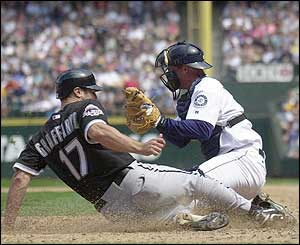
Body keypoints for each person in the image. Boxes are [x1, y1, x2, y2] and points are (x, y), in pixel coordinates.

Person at [3, 68, 282, 233]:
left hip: (112, 210)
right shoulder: (83, 108)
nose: (95, 95)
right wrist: (139, 146)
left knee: (166, 218)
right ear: (77, 92)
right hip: (132, 181)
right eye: (91, 90)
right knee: (198, 182)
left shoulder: (40, 138)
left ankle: (187, 219)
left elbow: (19, 178)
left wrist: (8, 226)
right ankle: (255, 212)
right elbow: (98, 132)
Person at [154, 41, 293, 214]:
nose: (168, 75)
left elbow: (201, 130)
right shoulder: (189, 95)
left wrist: (160, 121)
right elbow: (180, 140)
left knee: (191, 181)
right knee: (185, 210)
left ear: (185, 69)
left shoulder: (207, 86)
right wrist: (154, 122)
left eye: (171, 70)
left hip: (242, 160)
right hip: (228, 171)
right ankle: (259, 205)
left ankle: (257, 213)